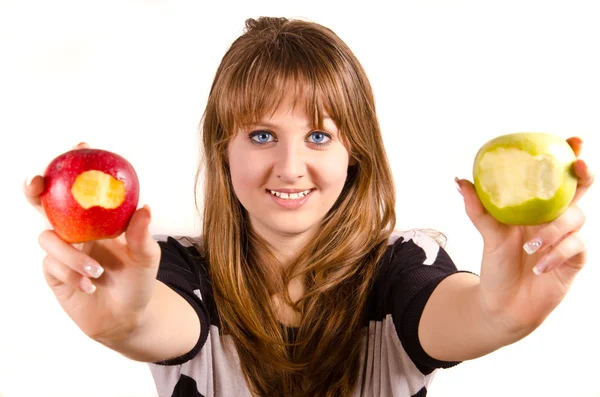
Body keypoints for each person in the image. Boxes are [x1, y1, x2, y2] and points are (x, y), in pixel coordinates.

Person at [24, 16, 593, 397]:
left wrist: (501, 314)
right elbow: (160, 320)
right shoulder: (177, 270)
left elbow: (456, 315)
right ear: (224, 149)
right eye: (262, 136)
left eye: (319, 137)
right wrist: (124, 321)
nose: (291, 167)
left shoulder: (401, 267)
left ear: (355, 151)